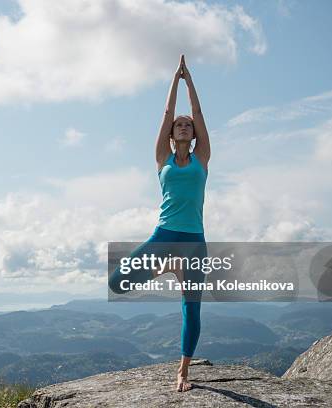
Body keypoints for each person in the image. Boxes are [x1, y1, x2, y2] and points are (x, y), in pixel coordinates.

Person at [108, 54, 211, 392]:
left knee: (192, 308)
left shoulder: (202, 159)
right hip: (164, 234)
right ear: (171, 132)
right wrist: (174, 79)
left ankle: (183, 371)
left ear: (193, 135)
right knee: (118, 281)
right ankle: (168, 267)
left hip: (194, 239)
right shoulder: (162, 158)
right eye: (178, 124)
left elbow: (197, 113)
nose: (184, 125)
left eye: (188, 125)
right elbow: (167, 113)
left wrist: (190, 81)